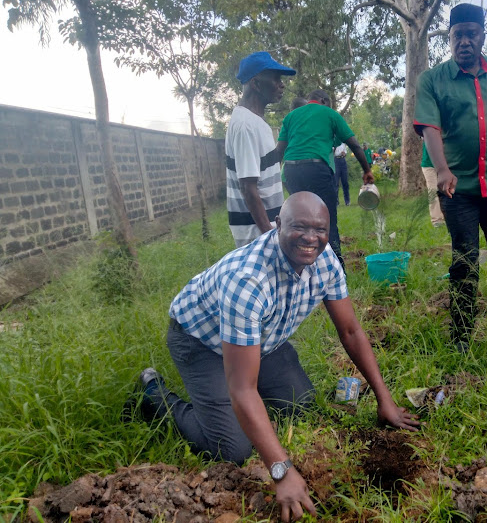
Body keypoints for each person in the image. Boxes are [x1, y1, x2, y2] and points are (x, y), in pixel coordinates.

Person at [134, 192, 419, 523]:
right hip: (201, 342)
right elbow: (242, 388)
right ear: (277, 225)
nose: (311, 238)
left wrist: (385, 399)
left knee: (301, 404)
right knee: (233, 449)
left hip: (263, 340)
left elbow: (352, 331)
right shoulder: (248, 279)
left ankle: (237, 409)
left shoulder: (324, 258)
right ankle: (153, 393)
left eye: (320, 229)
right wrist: (281, 471)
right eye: (299, 227)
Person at [414, 3, 487, 349]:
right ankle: (462, 335)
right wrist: (443, 170)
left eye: (471, 34)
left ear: (482, 36)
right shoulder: (433, 79)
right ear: (449, 39)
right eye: (457, 35)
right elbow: (430, 128)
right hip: (458, 189)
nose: (464, 41)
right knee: (464, 260)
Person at [276, 90, 374, 265]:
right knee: (326, 219)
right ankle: (336, 271)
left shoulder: (291, 116)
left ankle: (299, 266)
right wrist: (367, 171)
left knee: (298, 220)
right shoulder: (329, 113)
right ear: (324, 100)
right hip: (316, 169)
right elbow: (354, 145)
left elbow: (279, 151)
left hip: (291, 171)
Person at [226, 52, 295, 247]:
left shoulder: (256, 122)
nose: (282, 85)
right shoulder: (245, 125)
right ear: (256, 84)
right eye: (276, 79)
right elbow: (248, 189)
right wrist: (270, 236)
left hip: (267, 227)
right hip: (257, 234)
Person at [420, 141, 446, 227]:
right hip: (429, 165)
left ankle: (448, 216)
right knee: (433, 191)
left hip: (445, 164)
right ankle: (436, 220)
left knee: (447, 190)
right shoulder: (428, 128)